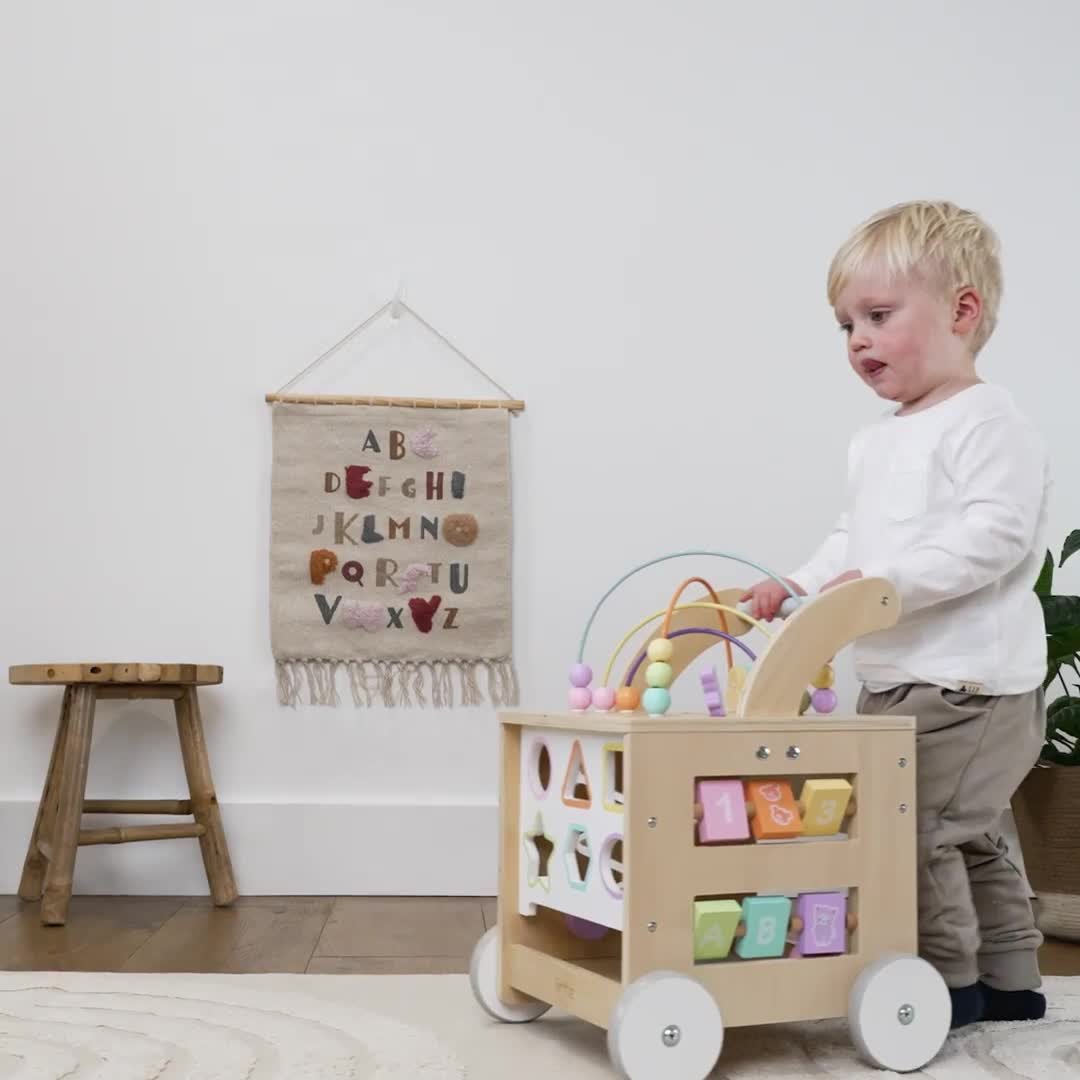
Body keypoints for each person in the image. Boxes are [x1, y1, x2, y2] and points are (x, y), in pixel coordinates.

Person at [743, 200, 1050, 1028]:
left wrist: (884, 587)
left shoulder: (989, 423)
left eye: (879, 317)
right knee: (969, 833)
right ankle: (1012, 980)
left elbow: (994, 536)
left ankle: (943, 986)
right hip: (895, 679)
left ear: (961, 311)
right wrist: (798, 587)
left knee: (913, 833)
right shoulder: (876, 441)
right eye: (846, 325)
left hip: (969, 684)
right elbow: (853, 539)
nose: (858, 341)